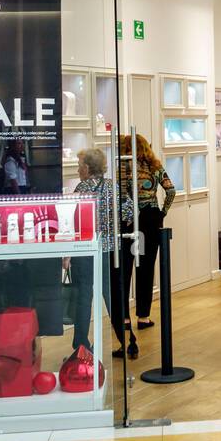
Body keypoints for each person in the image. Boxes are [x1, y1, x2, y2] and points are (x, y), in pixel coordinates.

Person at [117, 133, 175, 350]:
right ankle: (143, 316)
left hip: (127, 220)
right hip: (151, 218)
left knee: (125, 267)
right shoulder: (154, 166)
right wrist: (162, 213)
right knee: (146, 266)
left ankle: (124, 317)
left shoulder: (121, 168)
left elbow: (119, 195)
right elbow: (171, 190)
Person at [64, 149, 117, 355]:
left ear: (87, 168)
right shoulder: (112, 186)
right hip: (109, 248)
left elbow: (72, 220)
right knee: (110, 293)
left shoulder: (83, 187)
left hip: (85, 248)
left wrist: (67, 254)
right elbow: (129, 211)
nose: (78, 170)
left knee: (83, 295)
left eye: (79, 166)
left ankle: (81, 344)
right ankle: (123, 336)